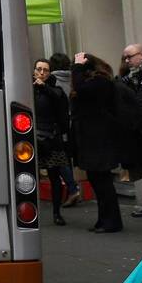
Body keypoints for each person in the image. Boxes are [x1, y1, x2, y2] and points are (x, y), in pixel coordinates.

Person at [71, 53, 126, 233]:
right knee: (97, 180)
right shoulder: (96, 83)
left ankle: (111, 221)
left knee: (102, 182)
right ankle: (104, 219)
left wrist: (77, 67)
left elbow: (81, 89)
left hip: (98, 139)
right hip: (92, 138)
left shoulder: (100, 83)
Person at [33, 59, 71, 225]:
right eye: (39, 69)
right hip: (31, 138)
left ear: (50, 73)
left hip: (51, 138)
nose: (42, 73)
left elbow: (59, 102)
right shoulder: (28, 89)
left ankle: (57, 212)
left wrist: (44, 87)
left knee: (54, 177)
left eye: (45, 70)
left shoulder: (55, 89)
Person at [48, 52, 81, 207]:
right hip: (72, 122)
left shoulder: (51, 80)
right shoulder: (74, 77)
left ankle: (73, 188)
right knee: (66, 157)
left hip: (57, 124)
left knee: (59, 159)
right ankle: (73, 189)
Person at [118, 43, 142, 219]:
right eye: (125, 58)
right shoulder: (128, 79)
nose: (127, 60)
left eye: (130, 56)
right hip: (137, 132)